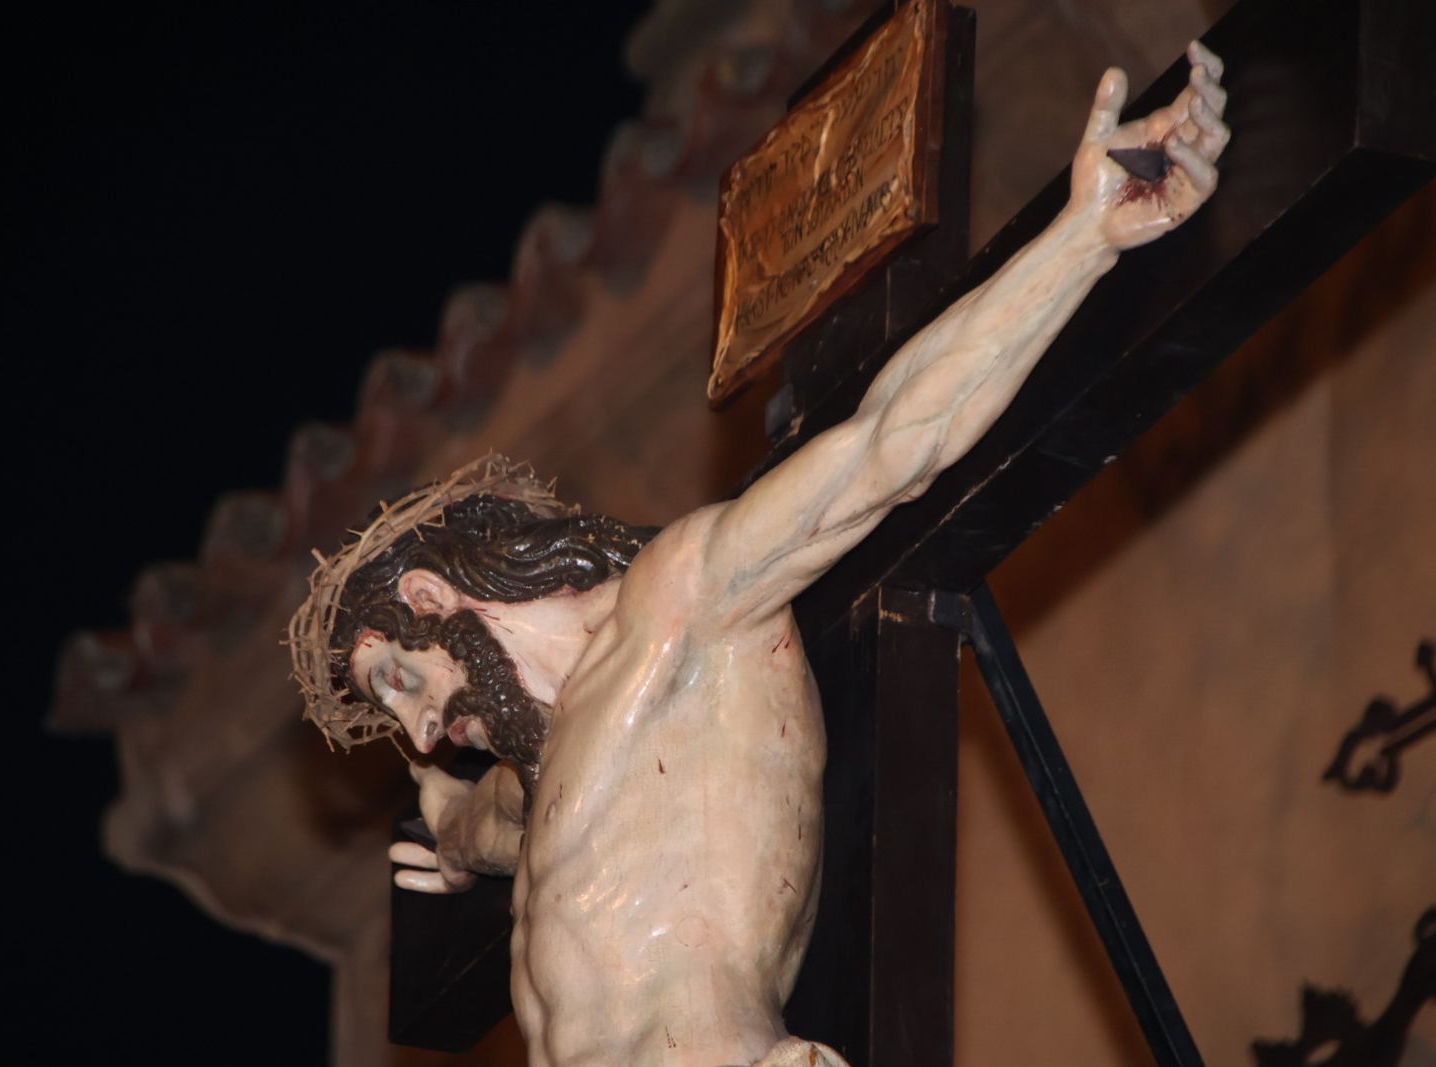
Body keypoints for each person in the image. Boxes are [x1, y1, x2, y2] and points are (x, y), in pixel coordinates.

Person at [288, 43, 1229, 1067]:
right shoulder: (546, 768)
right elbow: (490, 827)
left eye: (402, 679)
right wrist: (450, 827)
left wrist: (1083, 237)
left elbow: (890, 443)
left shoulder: (687, 599)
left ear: (431, 589)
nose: (426, 729)